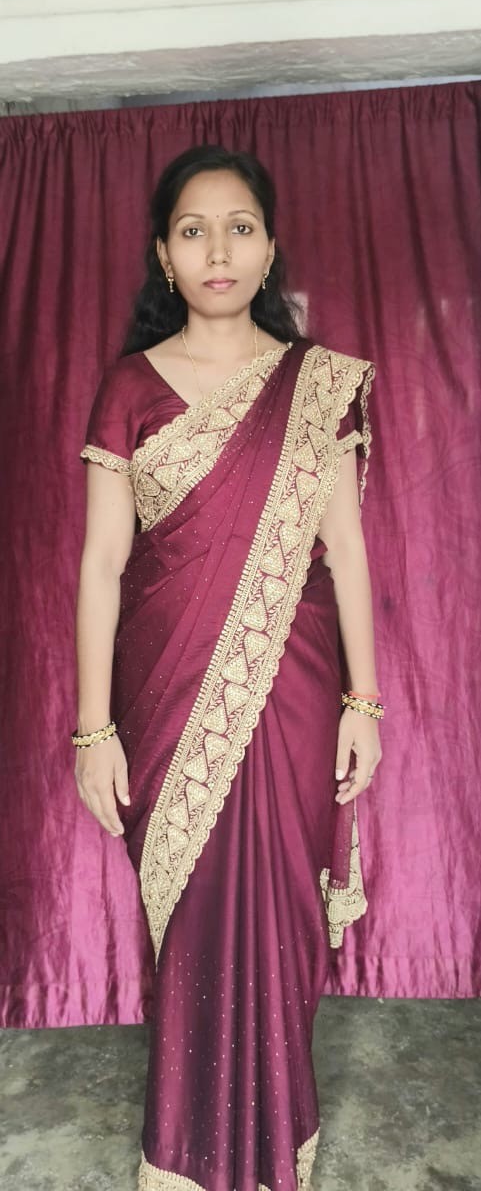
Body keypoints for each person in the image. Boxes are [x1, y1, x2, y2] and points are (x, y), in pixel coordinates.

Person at [74, 144, 383, 1191]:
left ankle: (277, 1136)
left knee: (281, 911)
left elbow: (345, 551)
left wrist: (363, 701)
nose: (218, 250)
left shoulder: (317, 385)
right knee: (194, 911)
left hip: (294, 691)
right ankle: (184, 1151)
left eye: (239, 227)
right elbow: (102, 563)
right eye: (194, 230)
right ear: (164, 256)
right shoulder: (129, 387)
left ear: (269, 247)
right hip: (161, 696)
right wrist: (91, 727)